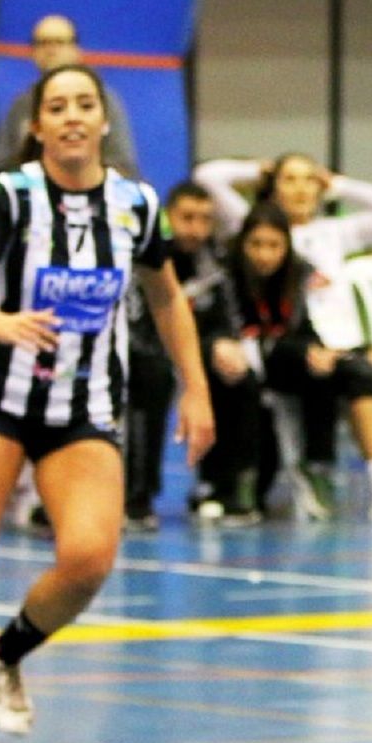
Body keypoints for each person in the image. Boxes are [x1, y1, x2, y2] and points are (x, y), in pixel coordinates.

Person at [0, 63, 215, 743]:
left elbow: (166, 296)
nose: (70, 116)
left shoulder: (134, 205)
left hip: (83, 407)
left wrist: (197, 388)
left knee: (90, 558)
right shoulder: (11, 197)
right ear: (37, 127)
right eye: (56, 106)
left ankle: (3, 654)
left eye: (83, 104)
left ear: (101, 122)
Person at [196, 154, 372, 523]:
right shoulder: (259, 231)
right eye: (290, 179)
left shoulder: (335, 232)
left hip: (348, 344)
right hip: (298, 351)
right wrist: (260, 171)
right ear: (272, 187)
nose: (301, 188)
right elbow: (208, 177)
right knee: (359, 373)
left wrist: (339, 185)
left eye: (309, 180)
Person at [122, 180, 230, 530]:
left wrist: (220, 347)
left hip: (191, 354)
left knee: (234, 373)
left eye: (204, 219)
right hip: (138, 352)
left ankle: (223, 486)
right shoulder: (147, 255)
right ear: (168, 217)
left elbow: (223, 320)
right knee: (151, 373)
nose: (196, 229)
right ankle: (135, 494)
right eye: (187, 218)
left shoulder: (214, 262)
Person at [0, 14, 139, 177]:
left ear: (76, 50)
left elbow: (123, 165)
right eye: (43, 43)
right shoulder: (21, 104)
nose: (51, 50)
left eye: (59, 42)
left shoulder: (102, 99)